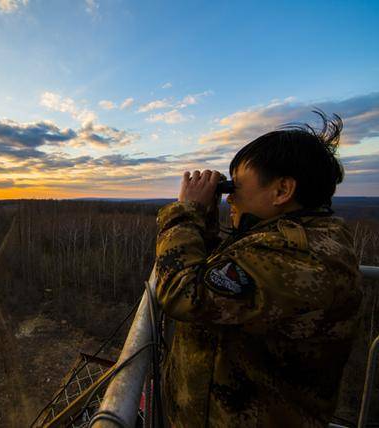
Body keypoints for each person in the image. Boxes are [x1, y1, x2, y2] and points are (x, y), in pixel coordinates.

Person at [155, 110, 363, 427]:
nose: (229, 200)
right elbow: (222, 280)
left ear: (282, 190)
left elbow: (184, 294)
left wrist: (185, 214)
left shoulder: (297, 256)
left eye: (235, 187)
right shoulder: (283, 242)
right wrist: (205, 224)